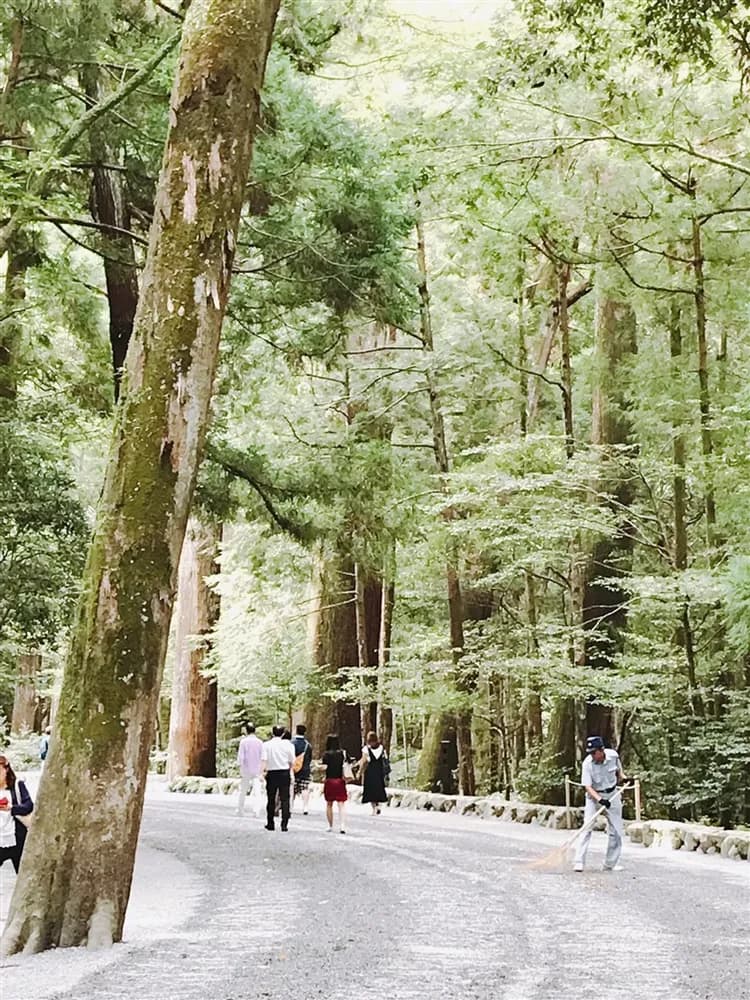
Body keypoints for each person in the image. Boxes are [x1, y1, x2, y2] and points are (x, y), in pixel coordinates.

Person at [574, 735, 627, 872]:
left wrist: (625, 779)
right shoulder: (587, 764)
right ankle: (579, 861)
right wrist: (600, 800)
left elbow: (619, 773)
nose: (592, 755)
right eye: (590, 753)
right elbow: (588, 786)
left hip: (612, 794)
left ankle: (610, 864)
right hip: (594, 796)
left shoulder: (613, 756)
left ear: (601, 750)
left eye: (594, 752)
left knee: (616, 831)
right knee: (587, 827)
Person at [0, 755, 33, 873]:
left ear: (6, 769)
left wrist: (12, 808)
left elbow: (29, 806)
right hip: (1, 837)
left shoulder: (17, 785)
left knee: (22, 872)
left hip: (16, 837)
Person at [261, 725, 295, 831]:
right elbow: (292, 761)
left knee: (271, 799)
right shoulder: (288, 745)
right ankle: (284, 824)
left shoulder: (266, 745)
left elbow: (264, 760)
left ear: (272, 733)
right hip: (284, 773)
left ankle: (270, 823)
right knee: (285, 799)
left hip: (272, 773)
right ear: (283, 733)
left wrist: (262, 772)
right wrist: (289, 770)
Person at [321, 734, 348, 834]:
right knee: (341, 805)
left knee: (329, 804)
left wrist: (317, 766)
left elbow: (324, 767)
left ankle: (330, 825)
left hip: (329, 781)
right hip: (340, 781)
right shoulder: (342, 753)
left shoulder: (326, 754)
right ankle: (342, 826)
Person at [359, 731, 389, 816]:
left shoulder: (366, 749)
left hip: (370, 772)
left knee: (370, 791)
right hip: (379, 771)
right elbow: (385, 758)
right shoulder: (381, 748)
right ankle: (378, 805)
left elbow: (364, 761)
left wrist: (359, 771)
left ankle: (374, 809)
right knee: (379, 789)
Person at [236, 723, 264, 817]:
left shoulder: (243, 742)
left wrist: (240, 768)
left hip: (246, 769)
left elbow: (241, 757)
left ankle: (240, 809)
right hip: (257, 769)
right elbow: (262, 757)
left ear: (246, 730)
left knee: (243, 791)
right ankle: (256, 811)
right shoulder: (260, 742)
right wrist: (262, 770)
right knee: (257, 791)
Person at [292, 724, 313, 815]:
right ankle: (305, 807)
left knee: (292, 788)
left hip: (293, 769)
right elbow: (310, 758)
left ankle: (290, 806)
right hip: (305, 769)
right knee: (305, 788)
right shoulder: (308, 745)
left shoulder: (291, 743)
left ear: (296, 731)